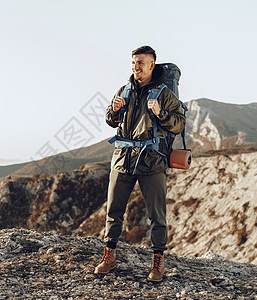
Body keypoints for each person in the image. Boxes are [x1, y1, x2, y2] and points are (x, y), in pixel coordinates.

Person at [94, 46, 185, 282]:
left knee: (157, 216)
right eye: (133, 62)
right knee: (113, 211)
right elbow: (110, 120)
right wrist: (113, 111)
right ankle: (109, 256)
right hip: (122, 159)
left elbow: (179, 124)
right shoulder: (125, 90)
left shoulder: (164, 93)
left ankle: (157, 262)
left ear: (152, 65)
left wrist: (161, 112)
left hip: (152, 161)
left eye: (141, 63)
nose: (136, 67)